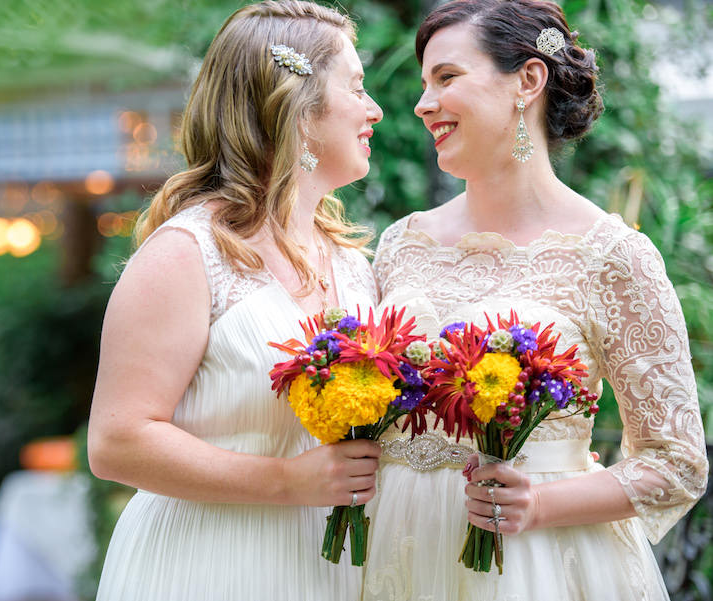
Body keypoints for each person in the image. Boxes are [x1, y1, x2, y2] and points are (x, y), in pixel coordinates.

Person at [363, 1, 708, 600]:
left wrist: (540, 504)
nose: (422, 104)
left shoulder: (612, 255)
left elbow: (677, 463)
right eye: (425, 83)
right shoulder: (400, 244)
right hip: (392, 549)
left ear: (528, 80)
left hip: (537, 564)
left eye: (447, 77)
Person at [86, 2, 384, 600]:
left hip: (328, 569)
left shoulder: (354, 267)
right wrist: (283, 481)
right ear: (298, 107)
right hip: (208, 564)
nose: (374, 108)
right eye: (355, 86)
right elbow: (116, 442)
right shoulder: (187, 253)